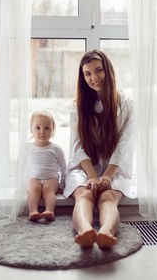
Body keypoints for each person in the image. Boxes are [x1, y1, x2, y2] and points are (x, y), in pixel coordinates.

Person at [63, 50, 135, 249]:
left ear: (108, 71)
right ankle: (85, 230)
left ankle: (105, 232)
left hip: (116, 166)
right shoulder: (77, 106)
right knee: (84, 194)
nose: (94, 78)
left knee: (108, 197)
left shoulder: (127, 105)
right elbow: (78, 146)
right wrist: (93, 176)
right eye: (87, 74)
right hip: (84, 167)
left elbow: (125, 145)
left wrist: (108, 175)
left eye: (98, 71)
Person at [27, 110, 67, 222]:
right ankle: (33, 211)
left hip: (51, 178)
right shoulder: (28, 148)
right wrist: (21, 184)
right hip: (34, 178)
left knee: (48, 190)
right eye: (38, 128)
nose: (42, 132)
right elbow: (21, 167)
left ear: (53, 130)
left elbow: (64, 168)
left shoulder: (56, 149)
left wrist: (62, 185)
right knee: (33, 190)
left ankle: (49, 211)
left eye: (47, 128)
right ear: (31, 130)